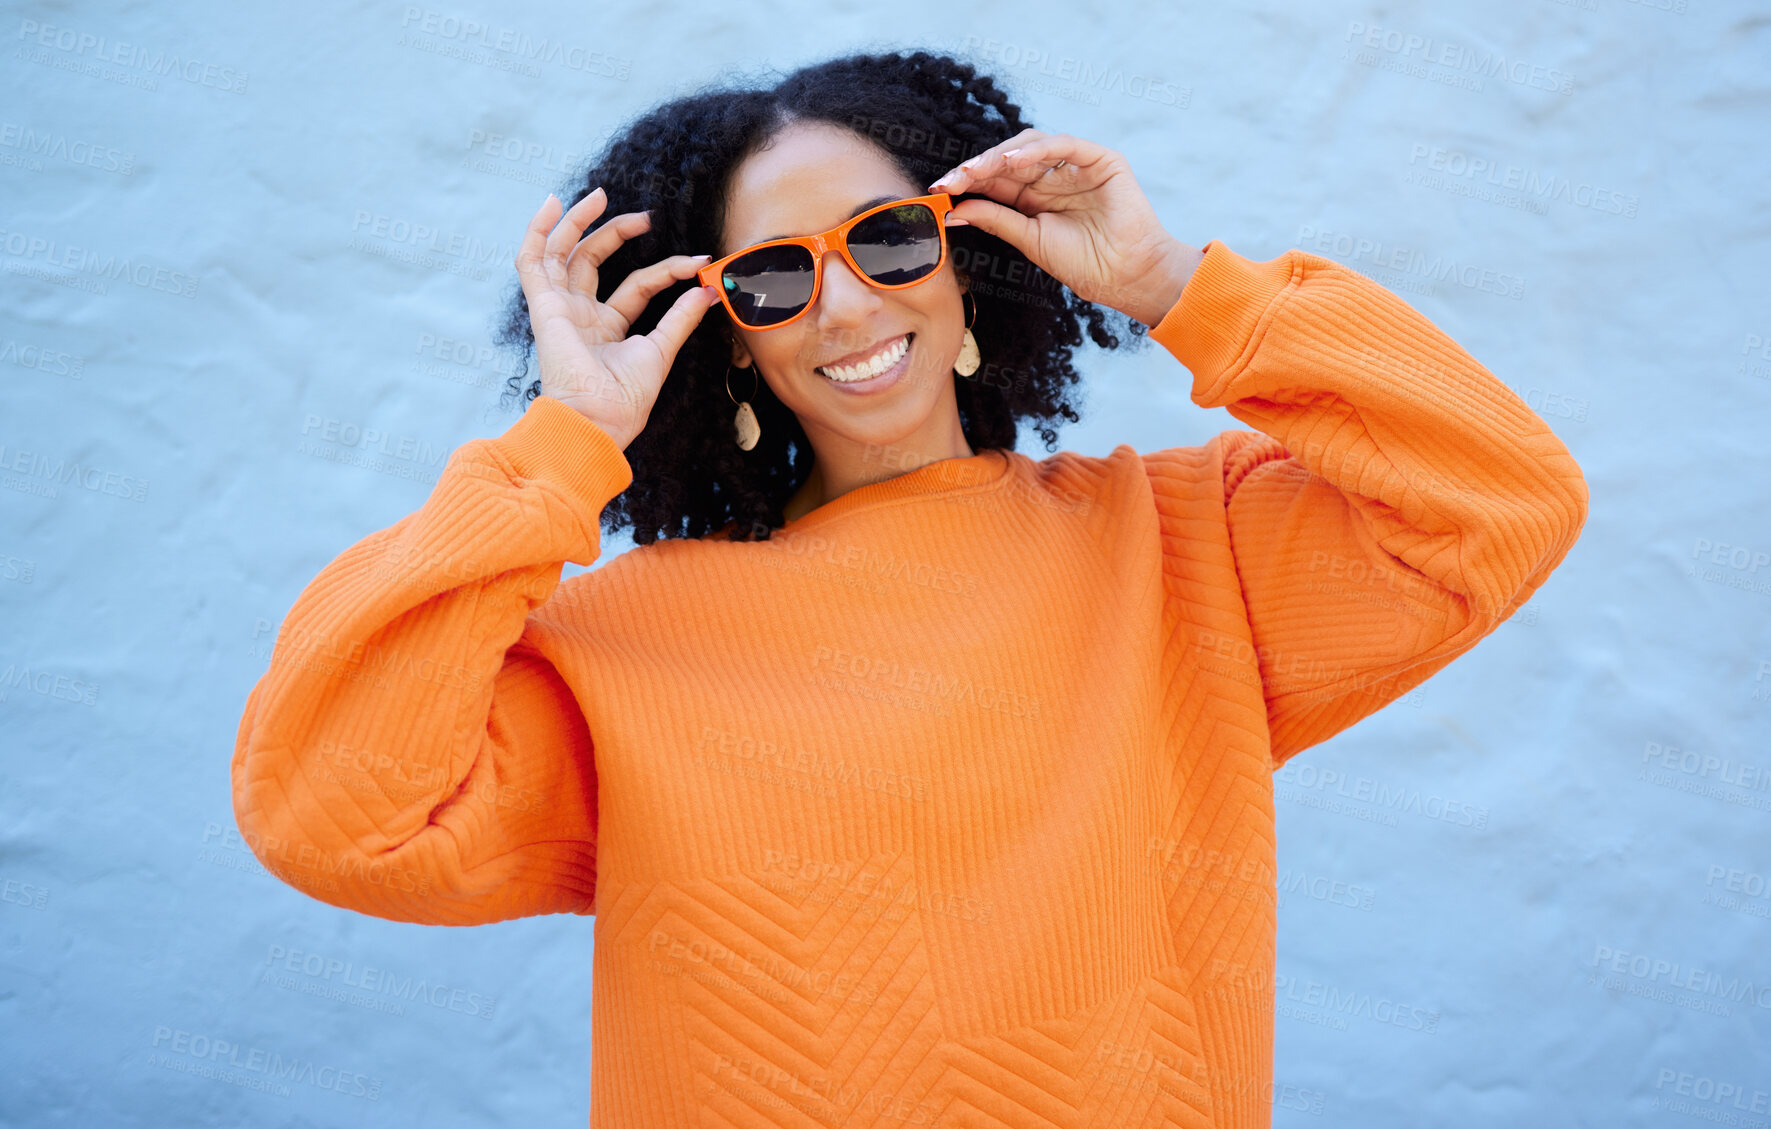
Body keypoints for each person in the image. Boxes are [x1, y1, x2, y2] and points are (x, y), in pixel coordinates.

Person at [231, 49, 1588, 1129]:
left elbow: (1501, 498)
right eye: (771, 276)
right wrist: (562, 448)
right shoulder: (621, 640)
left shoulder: (1187, 550)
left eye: (886, 239)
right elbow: (331, 806)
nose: (842, 306)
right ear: (728, 342)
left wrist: (1176, 286)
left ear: (967, 258)